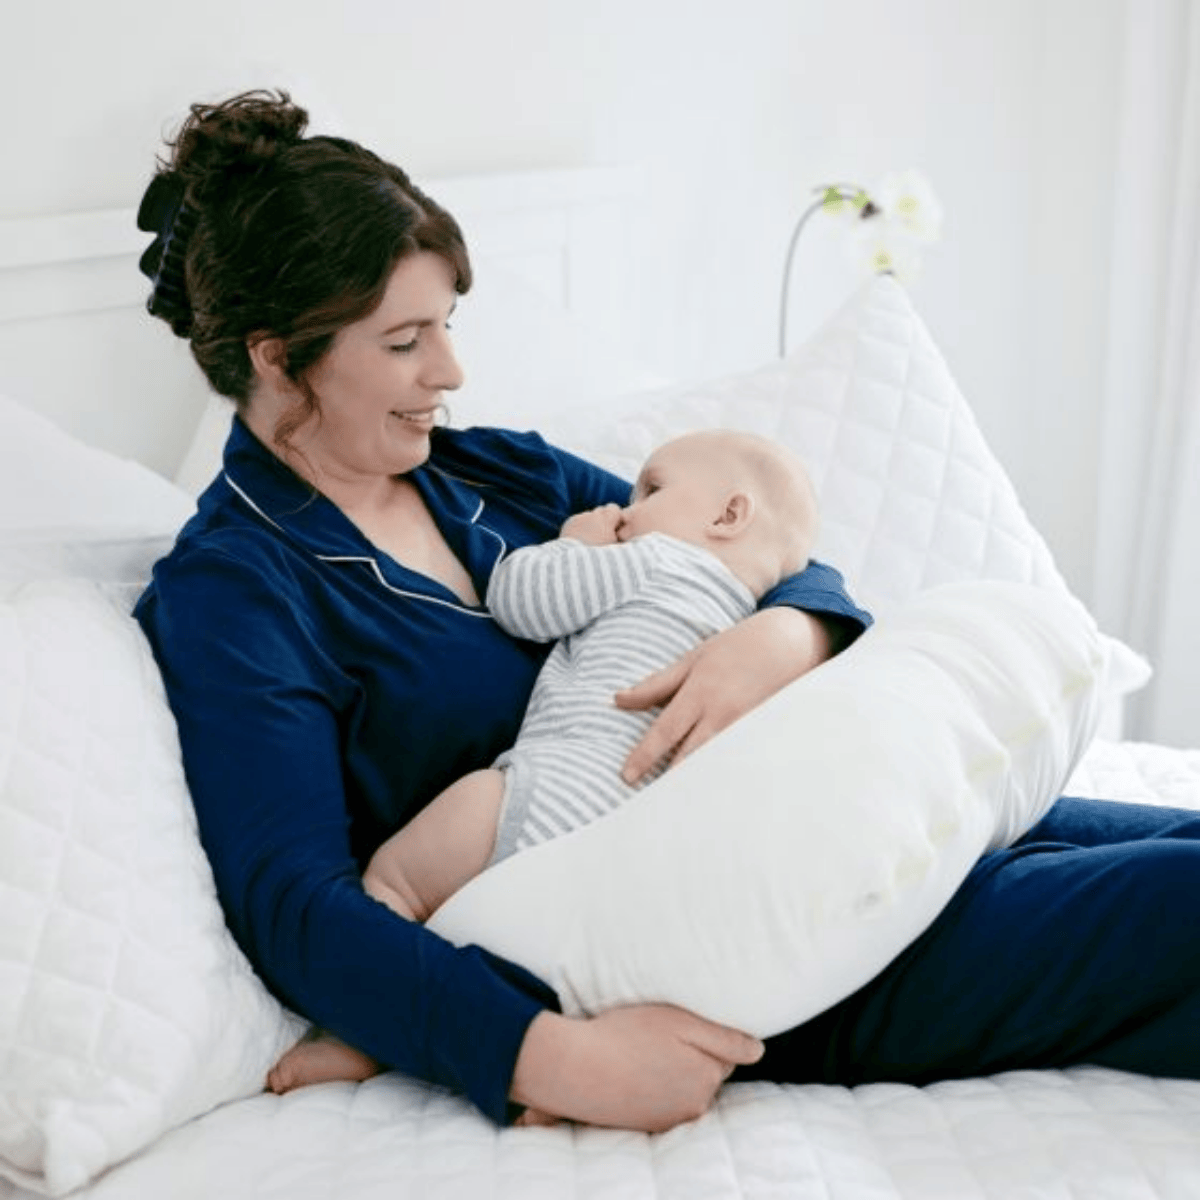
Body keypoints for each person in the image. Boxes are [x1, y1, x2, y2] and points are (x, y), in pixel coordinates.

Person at [135, 90, 1200, 1134]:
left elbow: (757, 551)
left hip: (817, 804)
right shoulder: (236, 591)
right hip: (747, 937)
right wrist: (553, 1058)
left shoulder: (498, 473)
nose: (451, 371)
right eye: (406, 341)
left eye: (447, 326)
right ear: (277, 356)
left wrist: (784, 637)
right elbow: (294, 903)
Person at [267, 428, 821, 1092]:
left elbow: (523, 600)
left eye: (650, 489)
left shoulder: (653, 560)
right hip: (638, 853)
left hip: (555, 788)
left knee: (396, 883)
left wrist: (574, 544)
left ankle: (358, 1031)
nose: (626, 508)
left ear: (728, 515)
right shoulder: (742, 626)